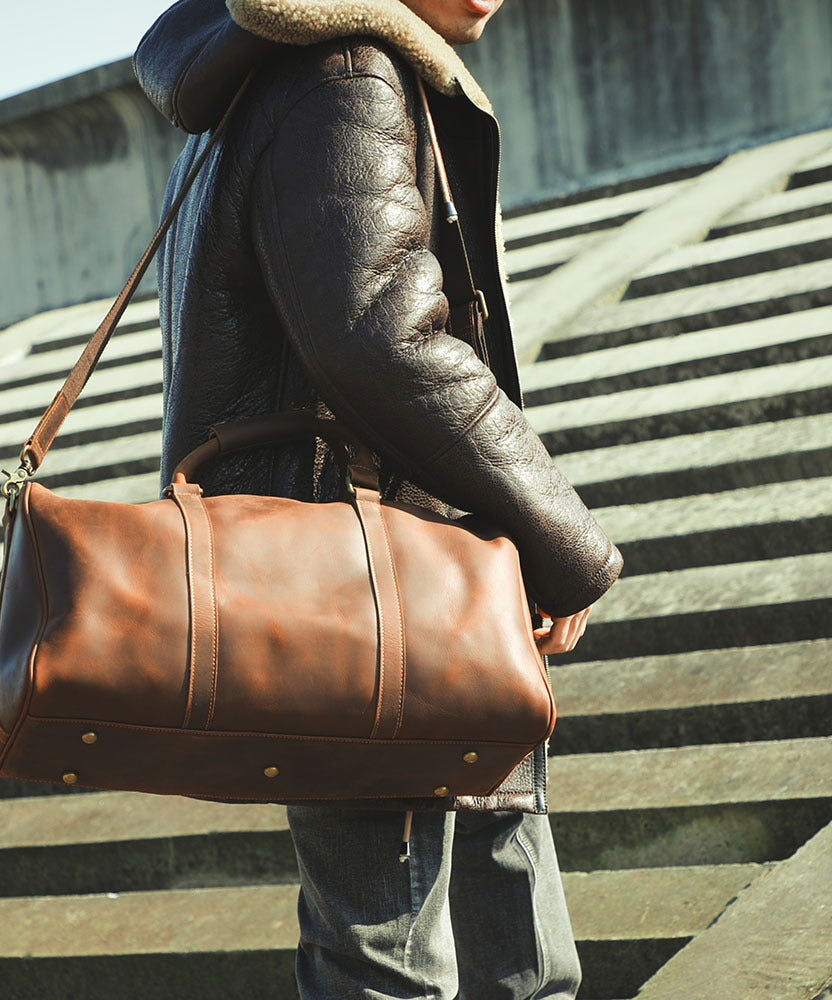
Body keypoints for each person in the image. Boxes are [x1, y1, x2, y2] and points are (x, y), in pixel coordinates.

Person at [133, 1, 623, 997]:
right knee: (403, 965)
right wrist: (556, 533)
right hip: (375, 590)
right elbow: (377, 334)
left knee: (510, 965)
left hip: (404, 581)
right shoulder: (341, 72)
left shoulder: (271, 74)